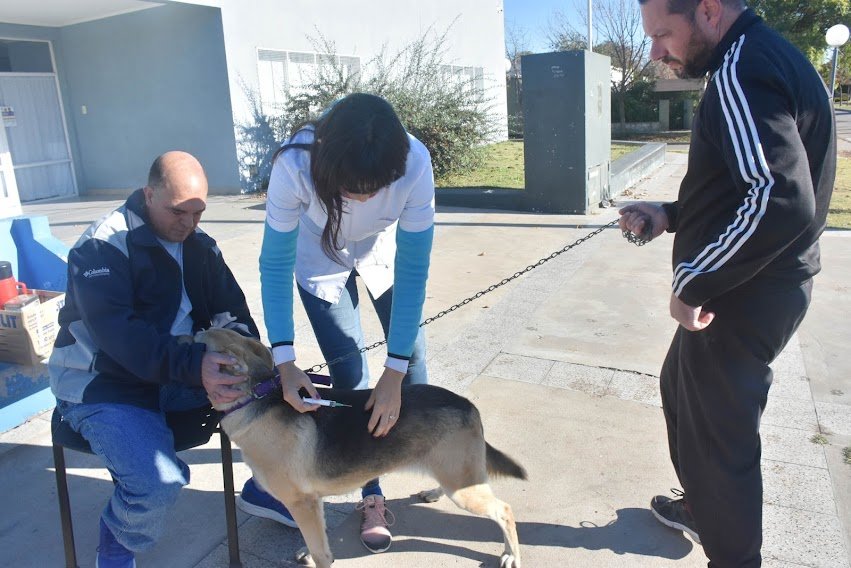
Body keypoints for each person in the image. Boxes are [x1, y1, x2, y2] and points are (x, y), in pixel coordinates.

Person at [620, 0, 835, 566]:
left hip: (746, 295)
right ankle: (706, 508)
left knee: (719, 441)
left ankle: (732, 550)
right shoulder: (757, 57)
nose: (656, 51)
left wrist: (694, 281)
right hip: (759, 285)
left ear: (709, 10)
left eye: (663, 33)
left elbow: (778, 199)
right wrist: (671, 212)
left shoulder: (742, 68)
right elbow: (741, 185)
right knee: (683, 393)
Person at [239, 92, 435, 554]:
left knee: (413, 364)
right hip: (318, 261)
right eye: (353, 188)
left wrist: (396, 370)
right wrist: (284, 360)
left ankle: (429, 454)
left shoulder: (416, 162)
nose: (364, 196)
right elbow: (274, 264)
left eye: (374, 188)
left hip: (382, 256)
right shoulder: (292, 166)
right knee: (351, 378)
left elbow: (413, 270)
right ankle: (371, 492)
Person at [49, 151, 261, 568]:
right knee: (157, 483)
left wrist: (245, 360)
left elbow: (233, 313)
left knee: (274, 400)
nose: (189, 224)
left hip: (179, 374)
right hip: (105, 384)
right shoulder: (100, 247)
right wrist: (196, 364)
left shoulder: (200, 246)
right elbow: (122, 339)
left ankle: (266, 492)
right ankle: (116, 546)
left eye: (198, 213)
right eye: (178, 212)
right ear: (149, 194)